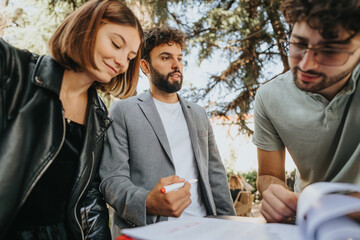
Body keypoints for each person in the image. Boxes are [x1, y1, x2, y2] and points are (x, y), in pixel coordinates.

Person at [0, 0, 143, 239]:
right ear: (86, 28)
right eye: (116, 44)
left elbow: (88, 198)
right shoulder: (15, 69)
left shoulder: (99, 115)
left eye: (130, 57)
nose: (121, 62)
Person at [99, 26, 235, 236]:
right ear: (145, 66)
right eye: (165, 58)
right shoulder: (123, 111)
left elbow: (215, 175)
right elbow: (112, 181)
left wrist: (231, 226)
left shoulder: (198, 113)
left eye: (180, 58)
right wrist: (147, 202)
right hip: (149, 232)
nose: (176, 65)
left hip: (203, 230)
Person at [252, 0, 360, 223]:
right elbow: (268, 175)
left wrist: (329, 207)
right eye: (299, 44)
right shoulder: (269, 96)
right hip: (306, 222)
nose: (306, 65)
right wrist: (276, 195)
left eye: (330, 51)